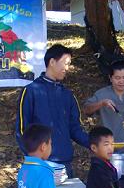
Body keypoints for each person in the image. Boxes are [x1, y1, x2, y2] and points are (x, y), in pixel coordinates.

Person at [16, 44, 89, 178]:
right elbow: (22, 129)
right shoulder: (31, 91)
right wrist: (34, 158)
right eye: (65, 63)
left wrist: (95, 143)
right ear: (52, 62)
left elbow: (75, 129)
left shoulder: (67, 95)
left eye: (69, 64)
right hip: (40, 164)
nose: (67, 68)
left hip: (65, 164)